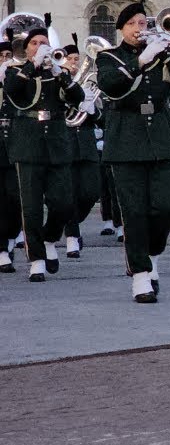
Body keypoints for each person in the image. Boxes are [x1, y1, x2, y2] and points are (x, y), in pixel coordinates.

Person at [96, 0, 170, 303]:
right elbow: (110, 84)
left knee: (167, 206)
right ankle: (140, 275)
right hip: (126, 141)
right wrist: (141, 60)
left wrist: (168, 51)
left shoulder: (162, 56)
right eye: (134, 24)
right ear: (122, 29)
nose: (140, 29)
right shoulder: (109, 57)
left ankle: (153, 255)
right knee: (134, 211)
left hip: (160, 140)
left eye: (144, 23)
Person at [3, 16, 85, 281]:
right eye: (35, 43)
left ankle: (50, 239)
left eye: (44, 43)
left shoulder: (57, 72)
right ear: (26, 48)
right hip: (28, 142)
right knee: (31, 206)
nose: (41, 47)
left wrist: (63, 74)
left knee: (62, 202)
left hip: (57, 142)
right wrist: (32, 65)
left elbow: (78, 97)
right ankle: (36, 258)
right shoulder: (16, 71)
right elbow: (12, 90)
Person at [59, 37, 102, 258]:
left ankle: (73, 222)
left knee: (89, 192)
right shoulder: (55, 81)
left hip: (86, 144)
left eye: (77, 59)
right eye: (71, 59)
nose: (75, 63)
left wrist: (91, 109)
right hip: (64, 143)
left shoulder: (86, 83)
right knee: (69, 193)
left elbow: (101, 117)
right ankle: (72, 236)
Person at [0, 35, 19, 273]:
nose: (5, 61)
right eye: (0, 57)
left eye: (7, 56)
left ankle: (12, 235)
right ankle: (2, 248)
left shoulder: (19, 81)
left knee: (16, 198)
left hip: (16, 145)